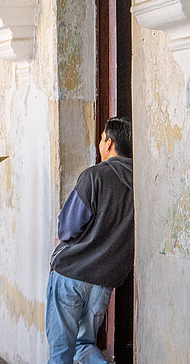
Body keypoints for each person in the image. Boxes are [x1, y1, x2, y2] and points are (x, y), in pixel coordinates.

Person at [46, 118, 133, 364]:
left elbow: (67, 228)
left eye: (102, 138)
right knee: (84, 345)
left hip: (72, 275)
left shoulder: (95, 176)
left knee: (61, 352)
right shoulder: (141, 182)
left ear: (109, 142)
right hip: (104, 281)